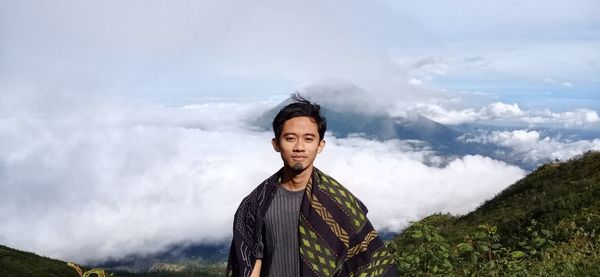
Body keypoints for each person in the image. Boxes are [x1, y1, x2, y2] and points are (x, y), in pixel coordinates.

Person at [226, 94, 397, 277]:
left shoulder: (338, 203)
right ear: (276, 144)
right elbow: (251, 266)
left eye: (308, 139)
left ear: (320, 145)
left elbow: (371, 265)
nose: (299, 147)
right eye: (290, 138)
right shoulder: (255, 204)